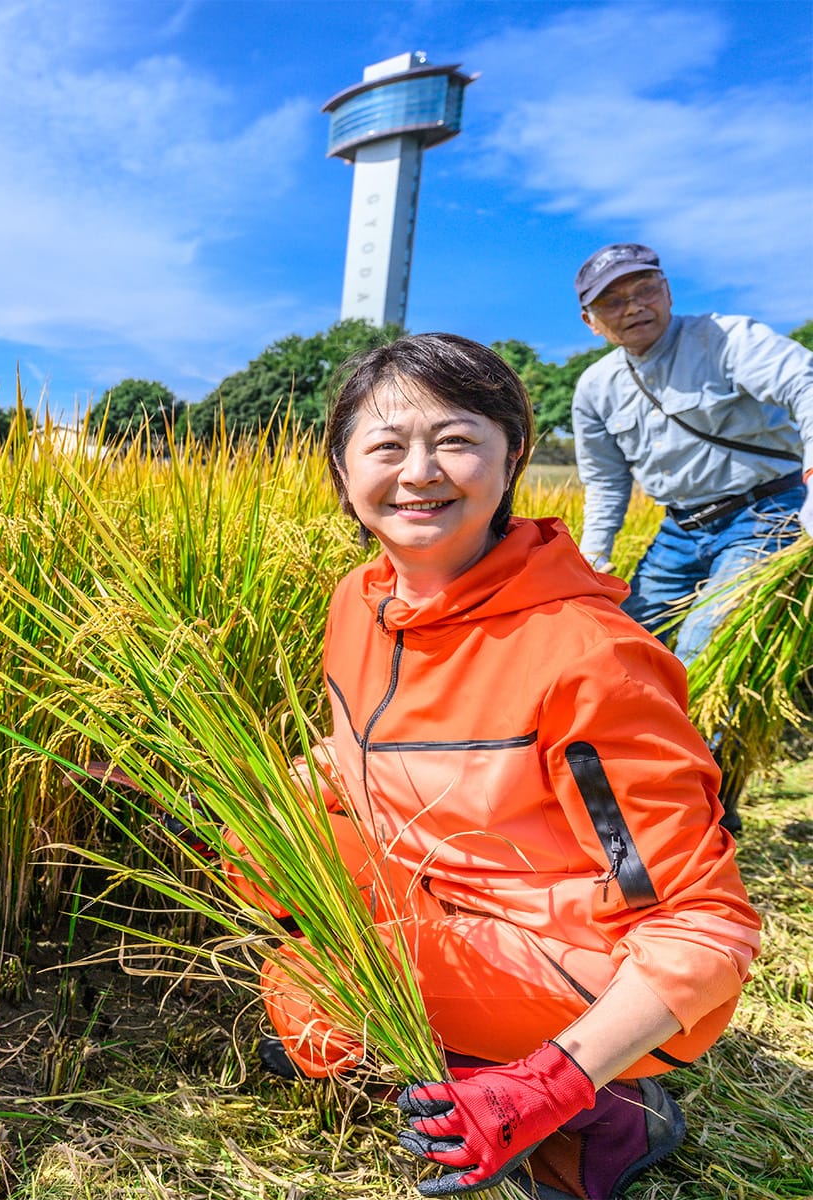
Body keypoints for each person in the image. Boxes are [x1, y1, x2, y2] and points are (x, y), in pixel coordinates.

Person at [250, 334, 756, 1200]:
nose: (419, 472)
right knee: (260, 853)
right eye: (385, 445)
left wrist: (550, 1078)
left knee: (315, 992)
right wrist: (273, 788)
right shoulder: (359, 599)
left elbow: (704, 928)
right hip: (441, 883)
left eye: (455, 440)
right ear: (341, 468)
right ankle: (456, 1043)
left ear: (511, 455)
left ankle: (601, 1104)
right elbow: (365, 748)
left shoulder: (586, 654)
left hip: (571, 944)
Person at [570, 244, 813, 666]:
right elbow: (606, 483)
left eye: (645, 290)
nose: (633, 308)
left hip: (766, 512)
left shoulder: (725, 338)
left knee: (704, 645)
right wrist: (594, 560)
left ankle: (705, 734)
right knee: (625, 644)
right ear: (590, 321)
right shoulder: (595, 388)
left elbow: (804, 386)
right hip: (681, 530)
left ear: (667, 291)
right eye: (612, 301)